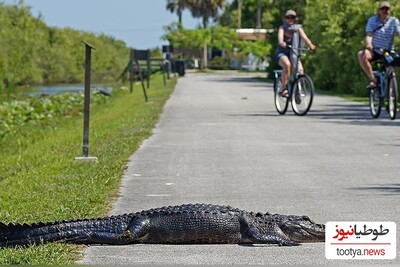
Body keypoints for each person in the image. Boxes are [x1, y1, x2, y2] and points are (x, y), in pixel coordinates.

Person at [357, 1, 400, 90]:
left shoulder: (394, 21)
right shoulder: (372, 20)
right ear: (379, 11)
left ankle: (391, 92)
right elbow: (369, 34)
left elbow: (399, 33)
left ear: (390, 10)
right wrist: (369, 44)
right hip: (375, 50)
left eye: (387, 9)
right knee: (361, 54)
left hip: (388, 51)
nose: (385, 11)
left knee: (391, 70)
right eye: (382, 9)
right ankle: (373, 80)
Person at [275, 10, 316, 98]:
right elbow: (280, 39)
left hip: (294, 53)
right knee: (287, 65)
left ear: (295, 19)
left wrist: (310, 44)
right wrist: (282, 43)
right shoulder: (282, 28)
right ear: (285, 19)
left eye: (292, 17)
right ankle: (284, 88)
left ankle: (298, 90)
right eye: (288, 17)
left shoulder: (298, 28)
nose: (290, 19)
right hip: (282, 53)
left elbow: (304, 37)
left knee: (300, 70)